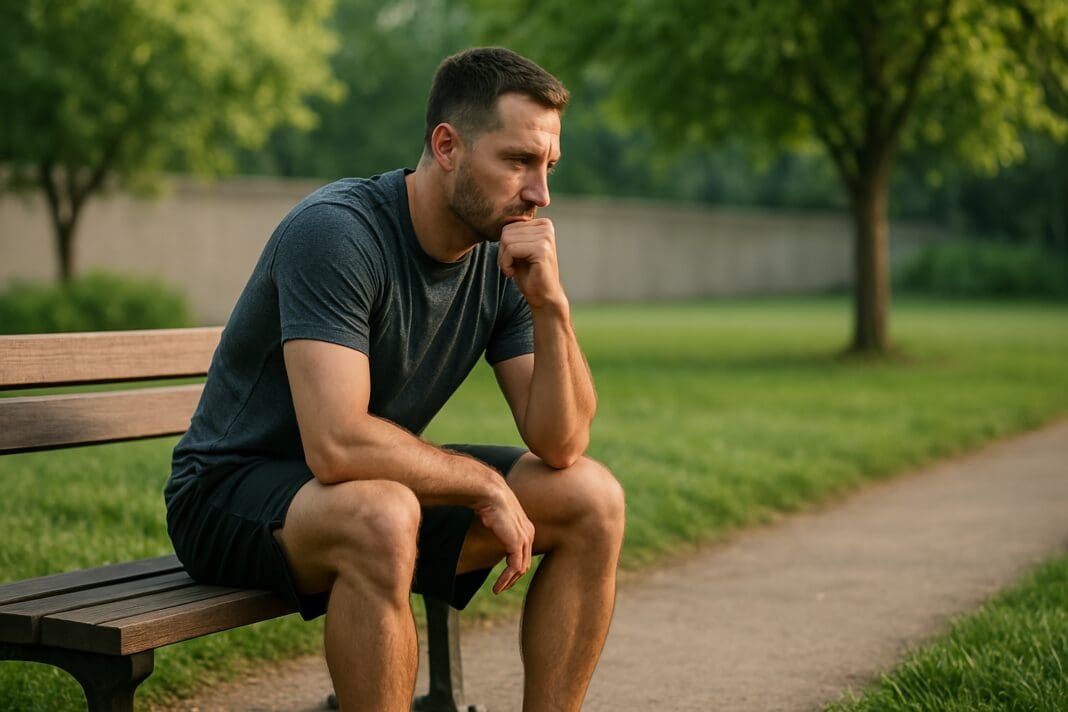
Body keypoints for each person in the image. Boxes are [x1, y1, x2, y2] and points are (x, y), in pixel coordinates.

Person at [164, 47, 624, 712]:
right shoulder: (338, 233)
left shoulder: (504, 255)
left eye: (548, 166)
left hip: (368, 489)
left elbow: (562, 445)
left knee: (592, 499)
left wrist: (552, 307)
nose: (539, 192)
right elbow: (338, 445)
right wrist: (481, 482)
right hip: (227, 495)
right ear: (447, 146)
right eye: (519, 161)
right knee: (383, 513)